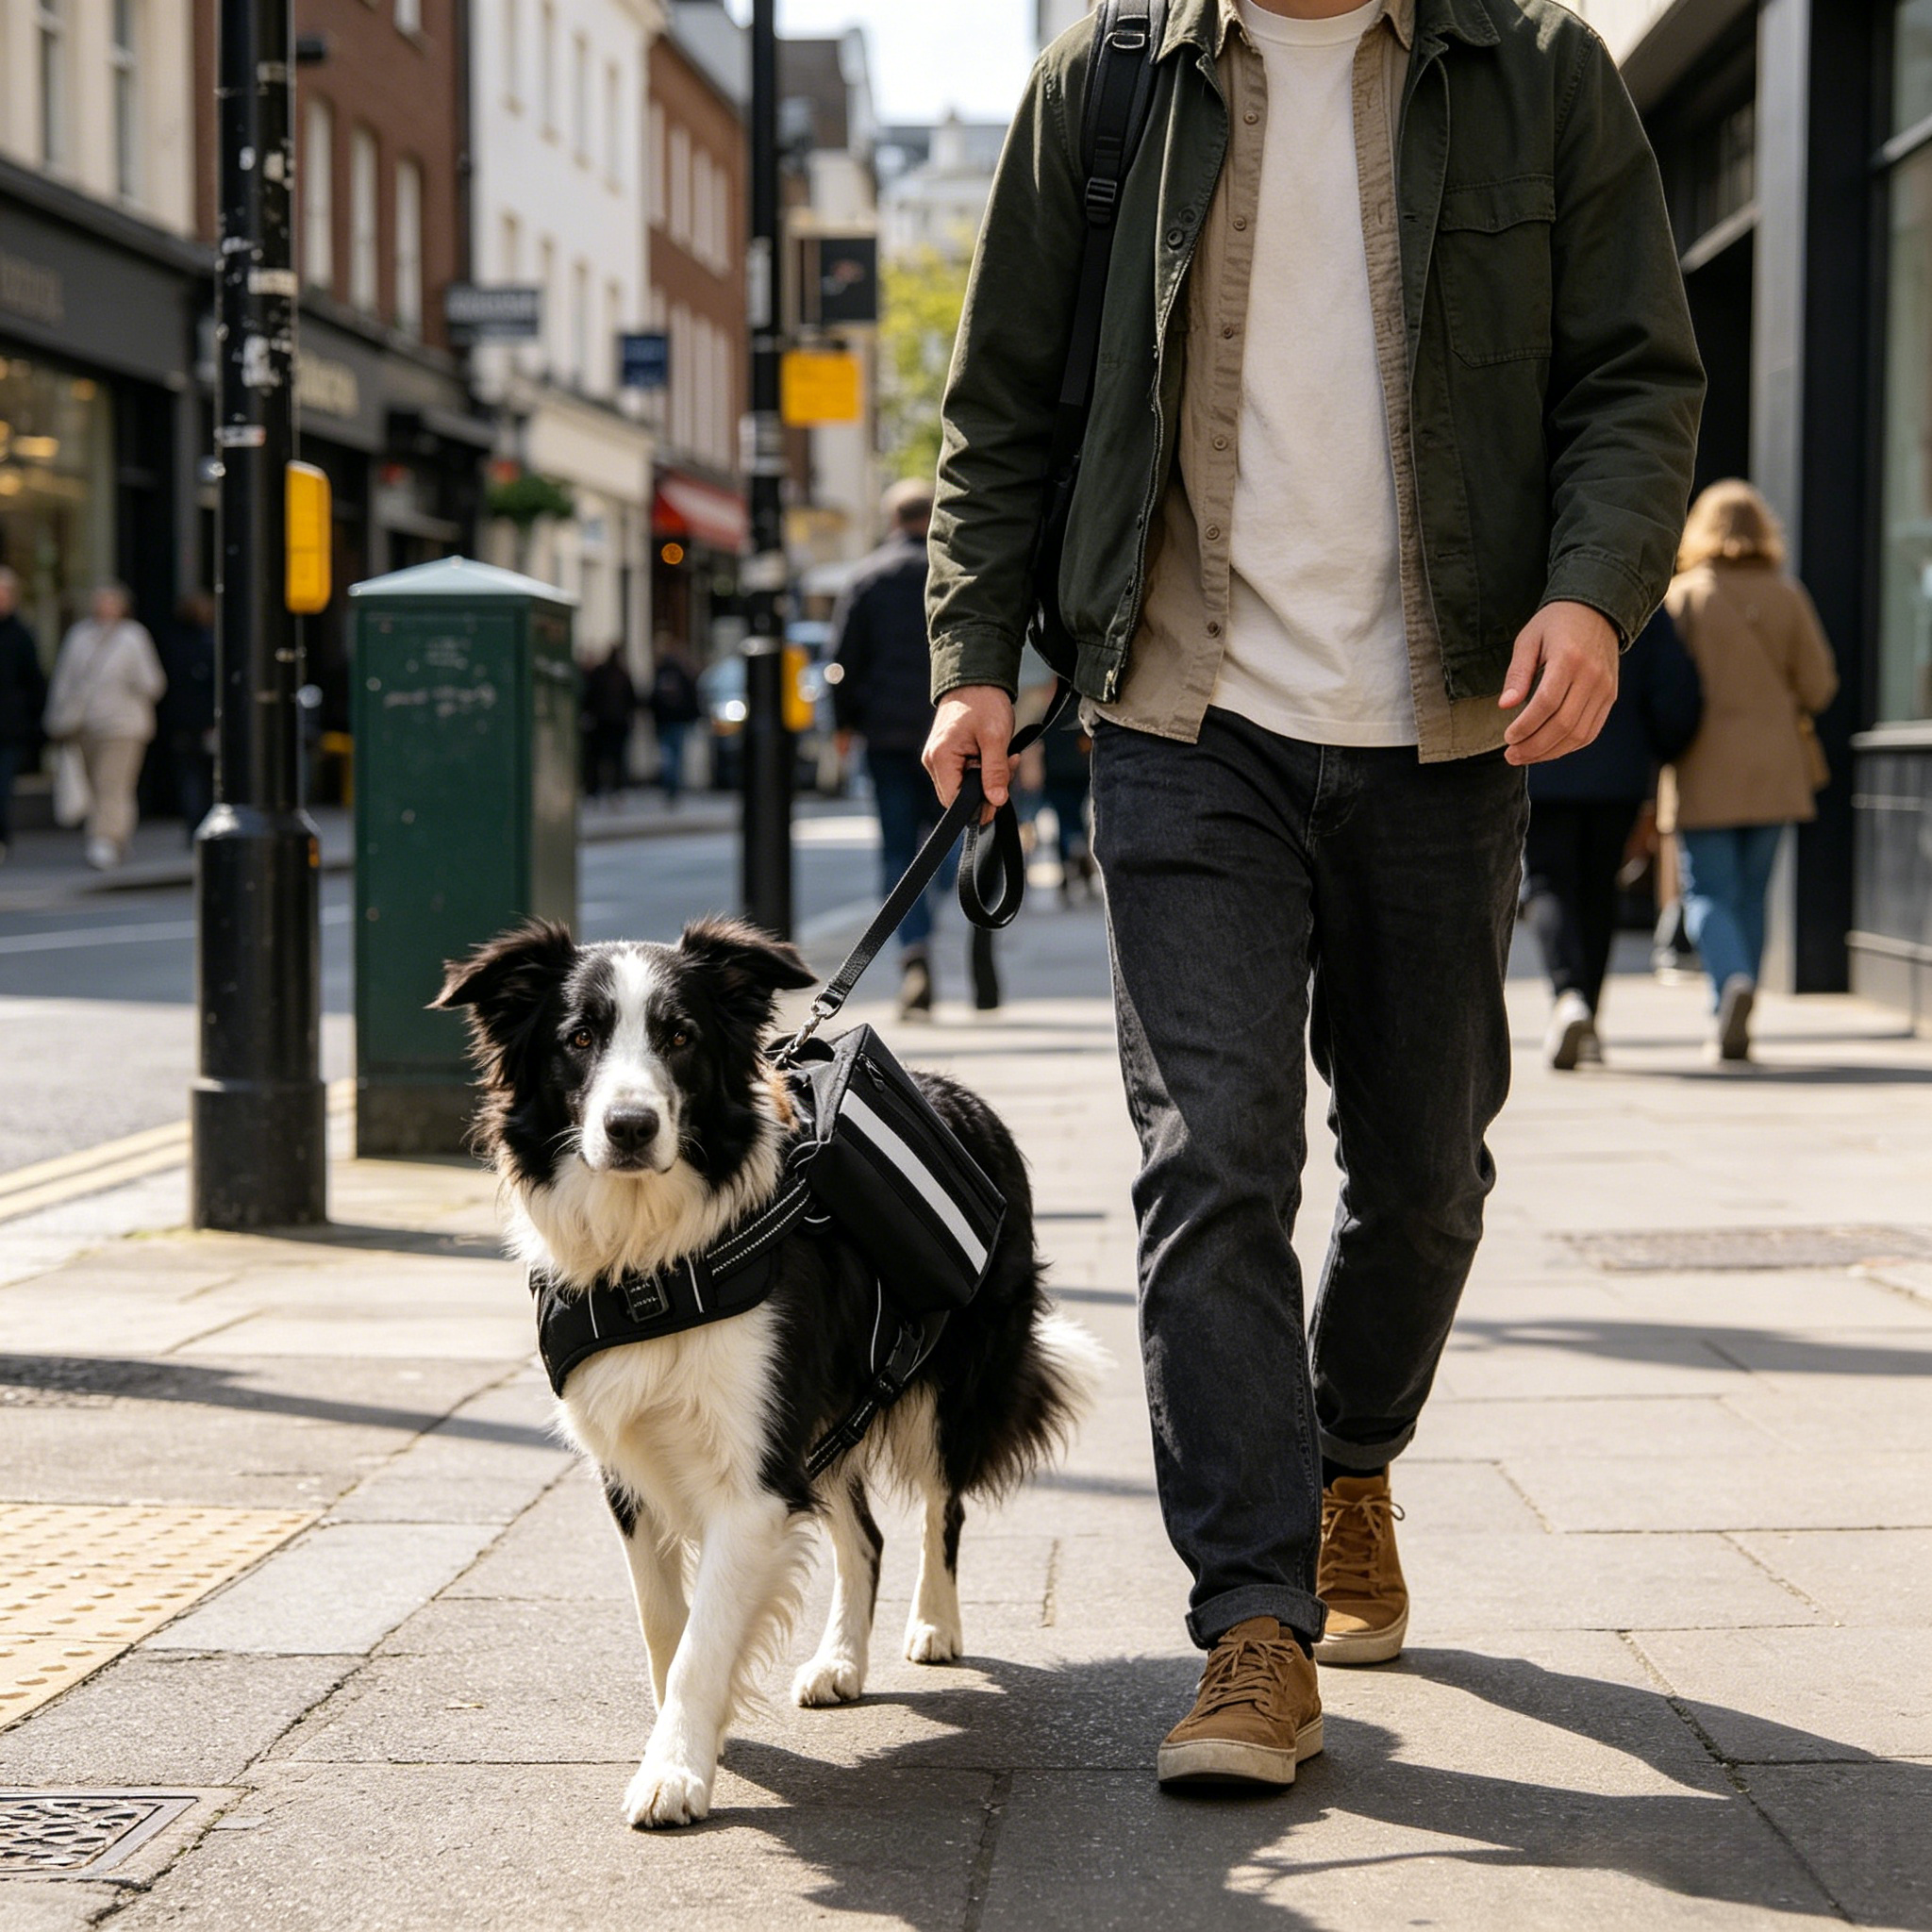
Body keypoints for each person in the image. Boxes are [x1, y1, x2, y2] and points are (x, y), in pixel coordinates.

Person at [923, 0, 1702, 1789]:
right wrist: (976, 658)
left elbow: (1631, 375)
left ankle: (1349, 1458)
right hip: (1181, 709)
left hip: (1442, 715)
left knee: (1425, 1171)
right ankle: (1251, 1624)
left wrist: (1589, 592)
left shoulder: (1536, 72)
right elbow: (999, 405)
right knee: (1210, 1151)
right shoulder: (1104, 85)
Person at [1666, 479, 1838, 1063]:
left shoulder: (1684, 597)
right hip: (1776, 768)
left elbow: (1663, 690)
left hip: (1702, 765)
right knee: (1753, 896)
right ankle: (1739, 999)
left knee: (1707, 890)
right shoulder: (1789, 594)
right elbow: (1820, 685)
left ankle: (1730, 984)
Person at [832, 478, 1000, 1018]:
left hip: (884, 737)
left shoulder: (866, 578)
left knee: (897, 849)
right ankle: (937, 892)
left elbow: (842, 664)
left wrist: (843, 725)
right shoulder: (950, 576)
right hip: (946, 735)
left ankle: (914, 953)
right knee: (948, 838)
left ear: (890, 520)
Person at [1524, 606, 1703, 1067]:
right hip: (1616, 770)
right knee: (1599, 887)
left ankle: (1569, 996)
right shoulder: (1633, 594)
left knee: (1547, 880)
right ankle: (1588, 1014)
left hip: (1538, 763)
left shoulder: (1529, 583)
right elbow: (1673, 688)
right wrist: (1662, 748)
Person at [43, 582, 166, 871]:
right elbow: (64, 680)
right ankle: (115, 836)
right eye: (100, 601)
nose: (104, 607)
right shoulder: (79, 635)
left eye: (110, 602)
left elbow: (153, 683)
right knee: (94, 785)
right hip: (85, 725)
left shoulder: (134, 637)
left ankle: (105, 840)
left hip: (123, 726)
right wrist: (57, 717)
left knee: (112, 784)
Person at [158, 591, 217, 841]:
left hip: (180, 721)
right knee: (203, 775)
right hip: (202, 722)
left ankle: (194, 825)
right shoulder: (207, 644)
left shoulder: (172, 643)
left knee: (190, 775)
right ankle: (202, 822)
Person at [0, 568, 48, 863]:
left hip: (8, 728)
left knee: (1, 788)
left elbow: (34, 683)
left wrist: (34, 724)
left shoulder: (21, 635)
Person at [647, 637, 702, 807]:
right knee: (676, 756)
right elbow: (692, 699)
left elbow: (653, 699)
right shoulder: (683, 673)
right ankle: (674, 788)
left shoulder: (661, 673)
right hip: (678, 722)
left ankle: (670, 787)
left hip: (664, 722)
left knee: (668, 756)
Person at [580, 642, 637, 803]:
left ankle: (595, 791)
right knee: (617, 759)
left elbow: (589, 698)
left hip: (601, 723)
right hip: (617, 723)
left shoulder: (601, 674)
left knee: (597, 758)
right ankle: (616, 790)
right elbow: (633, 700)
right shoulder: (622, 675)